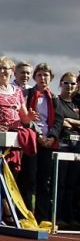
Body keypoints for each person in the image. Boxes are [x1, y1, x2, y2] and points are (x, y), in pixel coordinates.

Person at [22, 63, 63, 221]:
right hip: (32, 140)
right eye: (39, 75)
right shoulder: (28, 94)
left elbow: (58, 121)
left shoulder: (53, 98)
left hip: (48, 143)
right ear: (35, 77)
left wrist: (52, 137)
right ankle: (26, 214)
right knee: (29, 178)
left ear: (51, 78)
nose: (42, 78)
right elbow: (25, 117)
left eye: (46, 75)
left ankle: (42, 217)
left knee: (44, 181)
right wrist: (37, 135)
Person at [55, 72, 80, 228]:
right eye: (66, 83)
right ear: (60, 84)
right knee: (61, 183)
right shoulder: (56, 101)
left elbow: (67, 121)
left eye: (72, 83)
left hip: (77, 146)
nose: (69, 86)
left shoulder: (77, 103)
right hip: (63, 145)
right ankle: (57, 216)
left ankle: (69, 216)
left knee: (73, 183)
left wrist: (71, 120)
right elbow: (59, 122)